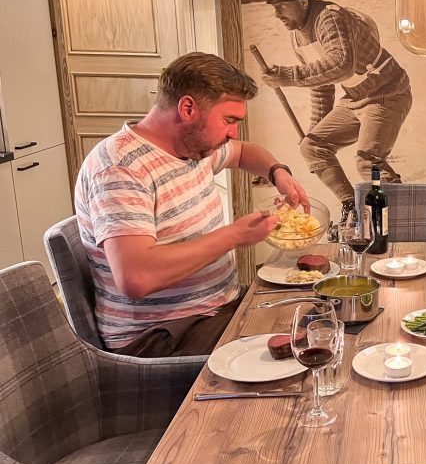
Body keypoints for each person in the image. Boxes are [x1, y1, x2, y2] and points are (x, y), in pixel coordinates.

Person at [74, 52, 309, 358]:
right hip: (164, 334)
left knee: (318, 316)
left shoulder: (191, 147)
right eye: (228, 120)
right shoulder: (121, 168)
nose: (232, 133)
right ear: (188, 108)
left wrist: (277, 172)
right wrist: (234, 235)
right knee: (306, 349)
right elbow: (136, 278)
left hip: (215, 310)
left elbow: (243, 153)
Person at [260, 0, 412, 226]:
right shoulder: (298, 36)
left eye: (282, 6)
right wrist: (315, 128)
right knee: (313, 146)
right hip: (355, 99)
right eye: (274, 8)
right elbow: (321, 85)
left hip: (387, 94)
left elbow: (341, 65)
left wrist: (288, 76)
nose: (277, 14)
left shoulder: (330, 17)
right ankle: (350, 209)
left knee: (368, 163)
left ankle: (400, 217)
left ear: (303, 2)